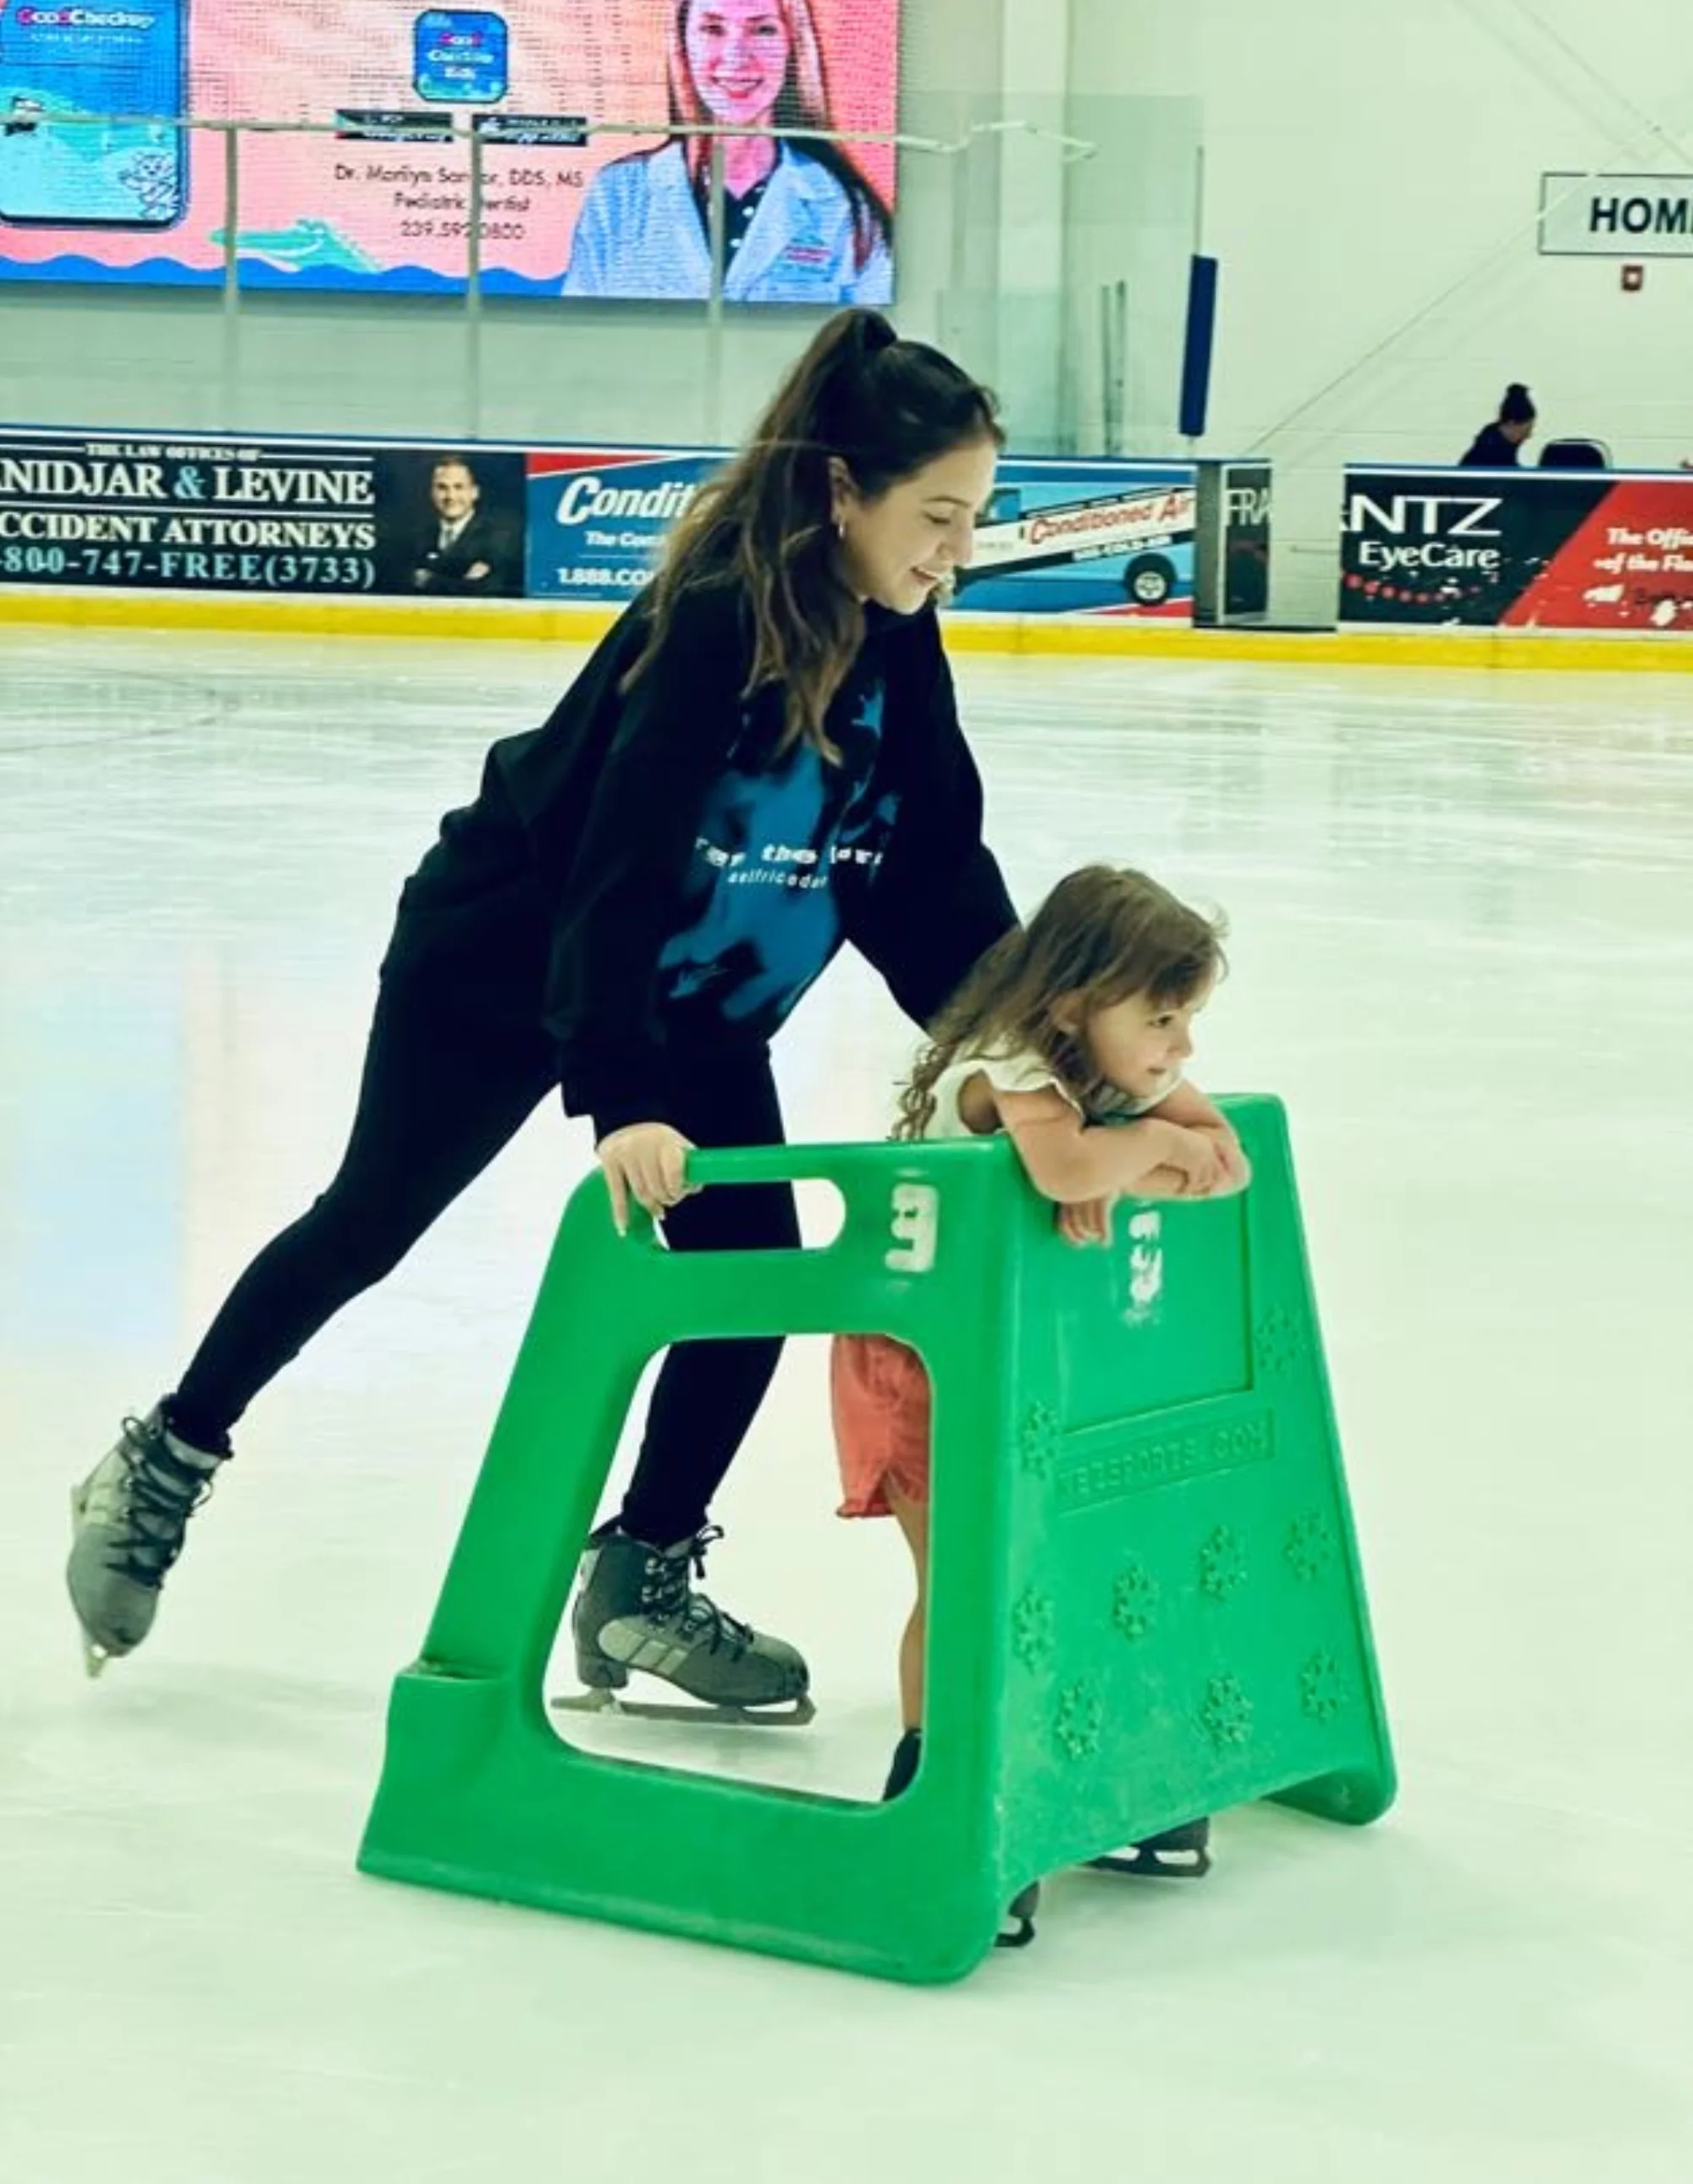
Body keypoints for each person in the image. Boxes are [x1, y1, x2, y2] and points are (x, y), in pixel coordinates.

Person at [66, 307, 1013, 1716]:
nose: (957, 551)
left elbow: (924, 868)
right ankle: (167, 1454)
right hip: (509, 955)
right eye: (938, 515)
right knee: (372, 1217)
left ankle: (641, 1573)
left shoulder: (902, 642)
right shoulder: (716, 622)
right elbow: (618, 863)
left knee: (750, 1269)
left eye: (974, 518)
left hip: (693, 995)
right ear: (841, 490)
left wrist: (1027, 1033)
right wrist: (623, 1094)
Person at [830, 865, 1251, 1931]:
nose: (1180, 1048)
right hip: (917, 1358)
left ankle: (1084, 1777)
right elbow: (1069, 1172)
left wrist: (1124, 1154)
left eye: (1186, 1019)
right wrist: (1138, 1151)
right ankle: (935, 1796)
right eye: (1160, 1018)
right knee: (965, 1584)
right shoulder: (1007, 1063)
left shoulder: (1097, 1071)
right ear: (1072, 1004)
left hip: (1012, 1357)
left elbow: (1227, 1161)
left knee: (1057, 1569)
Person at [562, 0, 892, 306]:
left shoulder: (843, 206)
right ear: (682, 44)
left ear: (792, 47)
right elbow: (577, 330)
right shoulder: (618, 195)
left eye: (763, 30)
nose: (736, 57)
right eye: (713, 29)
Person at [396, 455, 521, 598]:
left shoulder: (498, 537)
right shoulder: (416, 538)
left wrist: (429, 581)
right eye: (442, 488)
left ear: (474, 492)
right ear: (432, 493)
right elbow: (403, 586)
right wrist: (460, 582)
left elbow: (482, 589)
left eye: (459, 487)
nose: (450, 496)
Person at [1459, 383, 1536, 467]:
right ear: (1512, 423)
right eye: (1526, 430)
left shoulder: (1492, 443)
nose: (1528, 435)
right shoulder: (1491, 452)